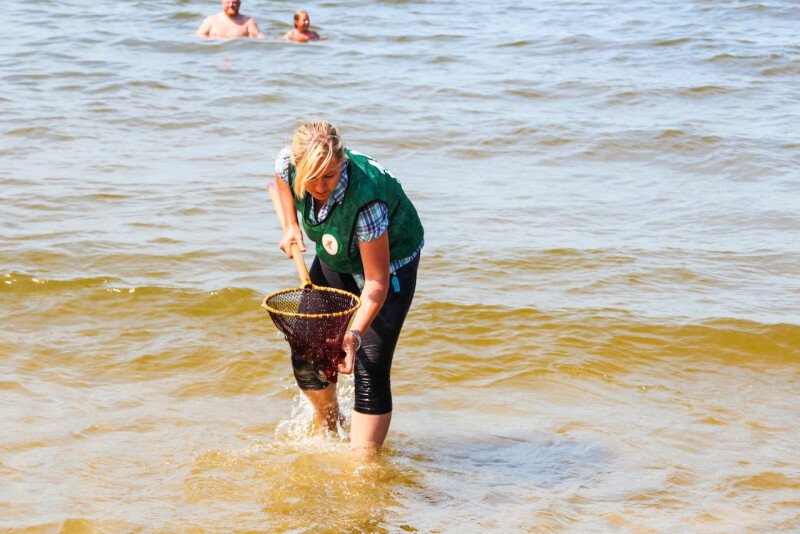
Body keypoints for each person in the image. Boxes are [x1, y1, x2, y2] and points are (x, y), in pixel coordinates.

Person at [272, 121, 423, 452]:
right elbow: (280, 181)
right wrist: (291, 226)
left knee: (370, 362)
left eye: (330, 175)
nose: (321, 186)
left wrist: (353, 335)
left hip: (390, 265)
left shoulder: (367, 203)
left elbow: (376, 282)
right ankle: (329, 422)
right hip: (337, 252)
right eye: (311, 177)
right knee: (307, 351)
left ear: (342, 163)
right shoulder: (288, 162)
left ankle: (363, 468)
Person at [196, 0, 263, 39]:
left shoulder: (248, 22)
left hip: (238, 57)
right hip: (216, 59)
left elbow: (260, 37)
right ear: (222, 4)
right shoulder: (211, 20)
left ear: (239, 4)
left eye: (234, 2)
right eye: (228, 2)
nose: (231, 5)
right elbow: (198, 37)